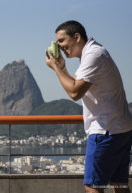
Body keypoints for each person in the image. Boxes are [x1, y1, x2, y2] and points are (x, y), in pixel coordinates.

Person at [46, 20, 132, 193]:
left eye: (62, 40)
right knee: (119, 185)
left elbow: (74, 93)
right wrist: (62, 68)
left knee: (92, 186)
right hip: (120, 129)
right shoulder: (92, 54)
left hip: (105, 131)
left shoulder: (94, 55)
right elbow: (76, 85)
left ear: (77, 37)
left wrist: (56, 68)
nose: (59, 46)